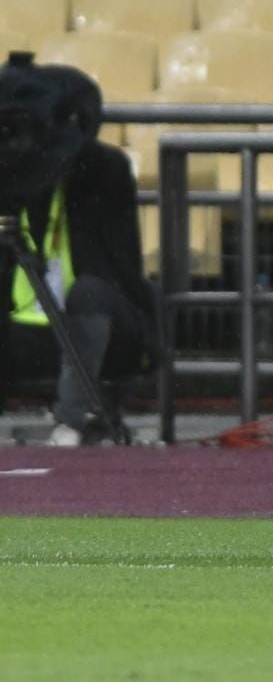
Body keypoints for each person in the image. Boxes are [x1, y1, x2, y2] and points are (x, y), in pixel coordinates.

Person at [0, 59, 156, 447]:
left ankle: (72, 418)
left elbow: (113, 274)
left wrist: (56, 162)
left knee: (89, 290)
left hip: (104, 325)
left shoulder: (103, 170)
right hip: (28, 330)